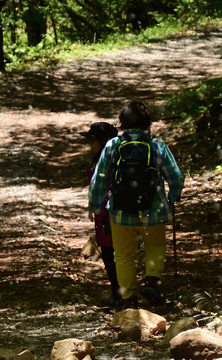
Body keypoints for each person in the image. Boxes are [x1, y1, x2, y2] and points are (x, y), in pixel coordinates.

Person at [88, 101, 184, 308]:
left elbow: (99, 180)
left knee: (122, 255)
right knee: (155, 246)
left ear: (122, 123)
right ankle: (151, 280)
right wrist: (173, 197)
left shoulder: (113, 146)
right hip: (153, 210)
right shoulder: (157, 145)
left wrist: (97, 206)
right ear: (148, 122)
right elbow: (175, 177)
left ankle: (128, 298)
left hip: (120, 211)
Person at [80, 121, 120, 307]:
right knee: (117, 252)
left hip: (106, 211)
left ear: (102, 142)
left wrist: (95, 206)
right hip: (114, 210)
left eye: (92, 141)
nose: (90, 145)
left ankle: (119, 295)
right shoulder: (116, 156)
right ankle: (121, 294)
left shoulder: (105, 159)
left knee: (110, 253)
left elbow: (99, 186)